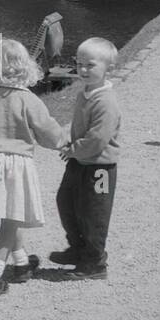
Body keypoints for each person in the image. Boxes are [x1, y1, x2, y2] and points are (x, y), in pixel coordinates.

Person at [0, 39, 67, 297]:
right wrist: (64, 143)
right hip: (17, 164)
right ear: (23, 66)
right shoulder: (27, 99)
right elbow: (47, 130)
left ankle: (21, 264)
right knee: (10, 221)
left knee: (12, 214)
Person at [51, 37, 122, 281]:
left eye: (90, 65)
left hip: (100, 167)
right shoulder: (86, 92)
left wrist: (74, 149)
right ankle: (78, 248)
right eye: (79, 64)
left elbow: (97, 139)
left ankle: (95, 261)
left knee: (95, 212)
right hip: (79, 162)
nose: (83, 70)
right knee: (67, 202)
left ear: (108, 69)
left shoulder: (106, 101)